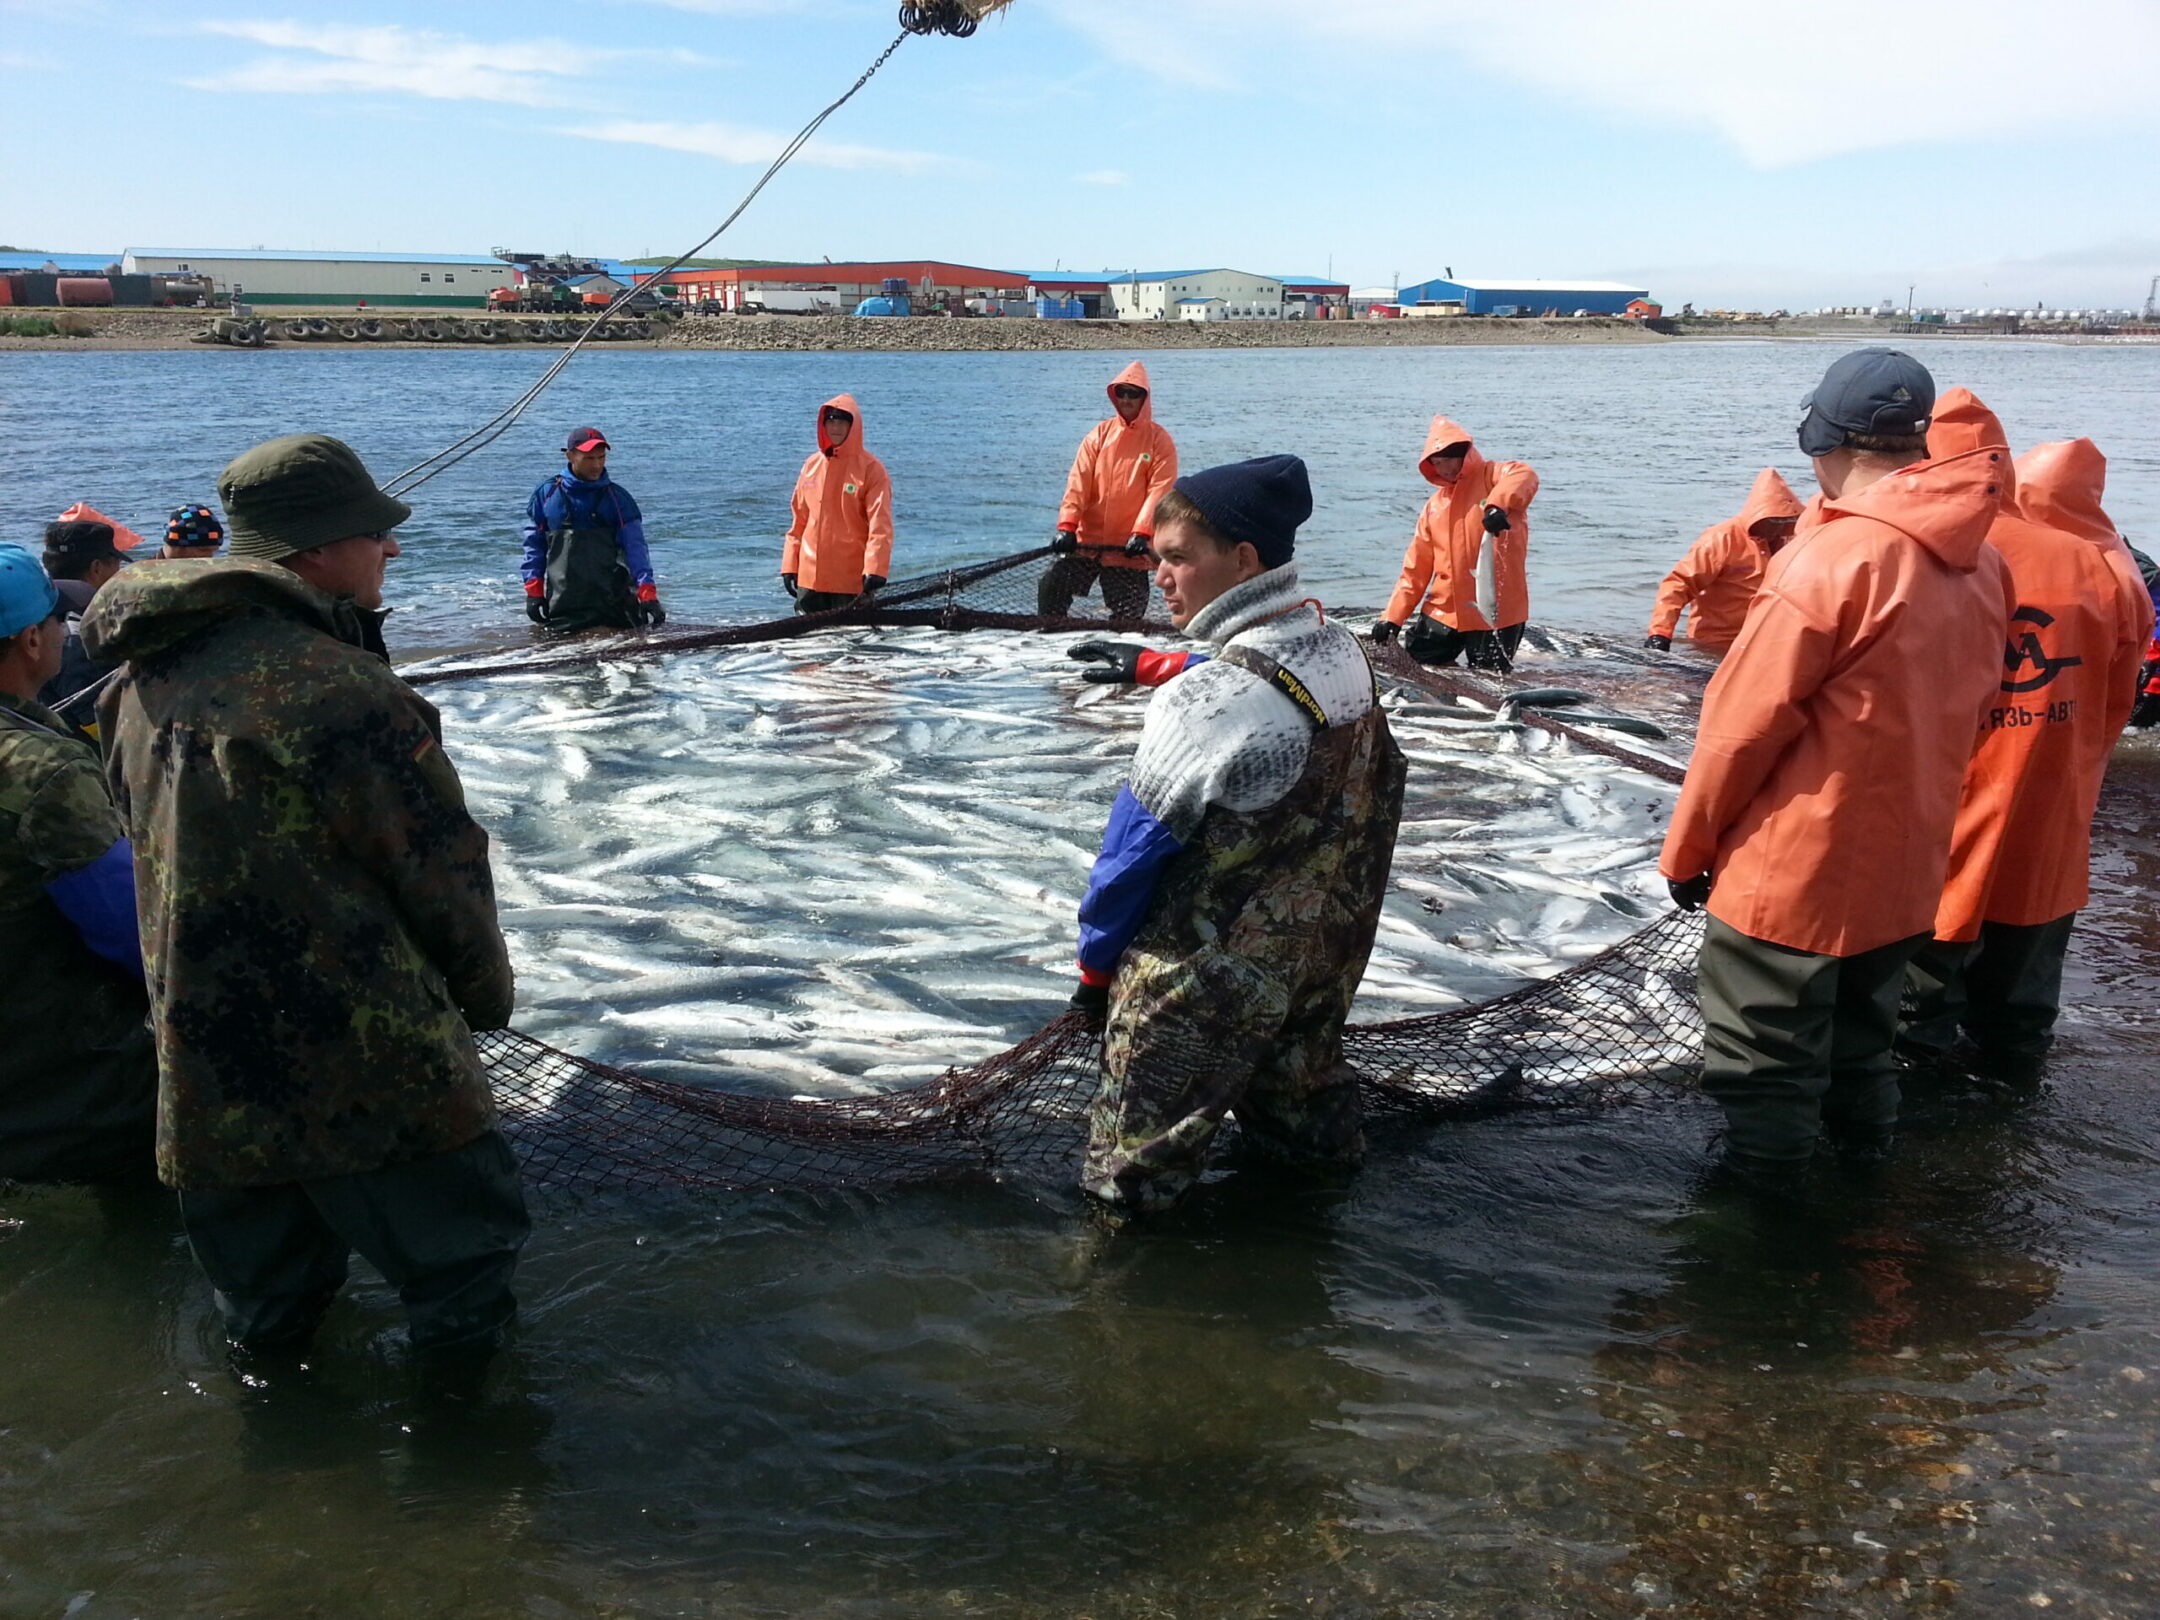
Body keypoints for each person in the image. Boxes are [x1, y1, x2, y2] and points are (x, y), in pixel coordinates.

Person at [84, 433, 529, 1358]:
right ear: (319, 550)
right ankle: (473, 1487)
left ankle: (276, 1484)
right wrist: (485, 1002)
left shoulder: (132, 683)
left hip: (205, 1077)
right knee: (461, 1291)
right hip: (369, 1074)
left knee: (264, 1331)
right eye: (376, 534)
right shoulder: (340, 691)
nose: (392, 550)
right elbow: (441, 874)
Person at [1658, 349, 2014, 1183]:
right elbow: (1984, 707)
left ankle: (1764, 1249)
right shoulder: (1985, 562)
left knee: (1766, 1069)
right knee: (1863, 1052)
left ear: (1826, 437)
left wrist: (1688, 852)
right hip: (1909, 868)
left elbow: (1739, 733)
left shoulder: (1827, 562)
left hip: (1795, 880)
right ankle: (1863, 1209)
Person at [1071, 455, 1407, 1213]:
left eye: (1179, 559)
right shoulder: (1344, 649)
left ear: (1244, 559)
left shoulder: (1205, 702)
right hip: (1317, 968)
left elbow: (1129, 859)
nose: (1160, 577)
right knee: (1307, 1162)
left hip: (1201, 995)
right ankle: (1309, 1286)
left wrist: (1094, 974)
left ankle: (1117, 1315)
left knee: (1129, 1190)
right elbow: (1278, 688)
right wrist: (1167, 662)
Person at [1901, 400, 2152, 1076]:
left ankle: (1912, 1150)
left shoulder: (1908, 553)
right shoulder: (2106, 565)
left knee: (1913, 1019)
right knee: (2019, 1022)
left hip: (1935, 834)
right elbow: (2115, 707)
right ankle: (2009, 1130)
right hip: (2050, 823)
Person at [0, 542, 157, 1184]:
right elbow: (131, 935)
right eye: (57, 622)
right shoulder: (42, 771)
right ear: (31, 641)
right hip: (60, 1085)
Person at [1370, 416, 1539, 671]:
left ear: (1464, 454)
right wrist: (1392, 618)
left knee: (1490, 681)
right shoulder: (1434, 507)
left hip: (1496, 611)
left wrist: (1496, 507)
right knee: (1413, 668)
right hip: (1444, 610)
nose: (1444, 469)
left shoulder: (1493, 476)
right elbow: (1415, 569)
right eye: (1437, 463)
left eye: (1448, 459)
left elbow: (1525, 475)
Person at [1041, 361, 1178, 620]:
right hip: (1086, 542)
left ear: (1144, 398)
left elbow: (1160, 491)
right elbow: (1078, 482)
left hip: (1129, 550)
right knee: (1050, 590)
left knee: (1128, 618)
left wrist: (1142, 533)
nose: (1126, 399)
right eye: (1121, 392)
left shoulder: (1160, 440)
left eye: (1133, 393)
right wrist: (1066, 526)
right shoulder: (1099, 434)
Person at [1644, 469, 1804, 655]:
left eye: (1786, 521)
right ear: (1758, 514)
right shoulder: (1721, 539)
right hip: (1715, 644)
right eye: (1774, 521)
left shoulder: (1789, 541)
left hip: (1764, 642)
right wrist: (1660, 635)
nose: (1780, 528)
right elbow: (1678, 585)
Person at [521, 427, 664, 633]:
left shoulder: (618, 499)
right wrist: (534, 593)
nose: (597, 465)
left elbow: (637, 552)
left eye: (601, 457)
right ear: (570, 455)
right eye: (589, 458)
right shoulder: (547, 494)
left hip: (616, 607)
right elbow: (534, 547)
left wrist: (648, 596)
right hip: (565, 607)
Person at [781, 394, 893, 614]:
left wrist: (876, 569)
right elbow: (799, 522)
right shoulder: (811, 465)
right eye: (831, 420)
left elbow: (880, 525)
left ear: (854, 426)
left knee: (853, 643)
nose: (836, 426)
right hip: (810, 578)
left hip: (851, 580)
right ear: (823, 425)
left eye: (843, 421)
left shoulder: (872, 469)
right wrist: (789, 565)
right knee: (806, 645)